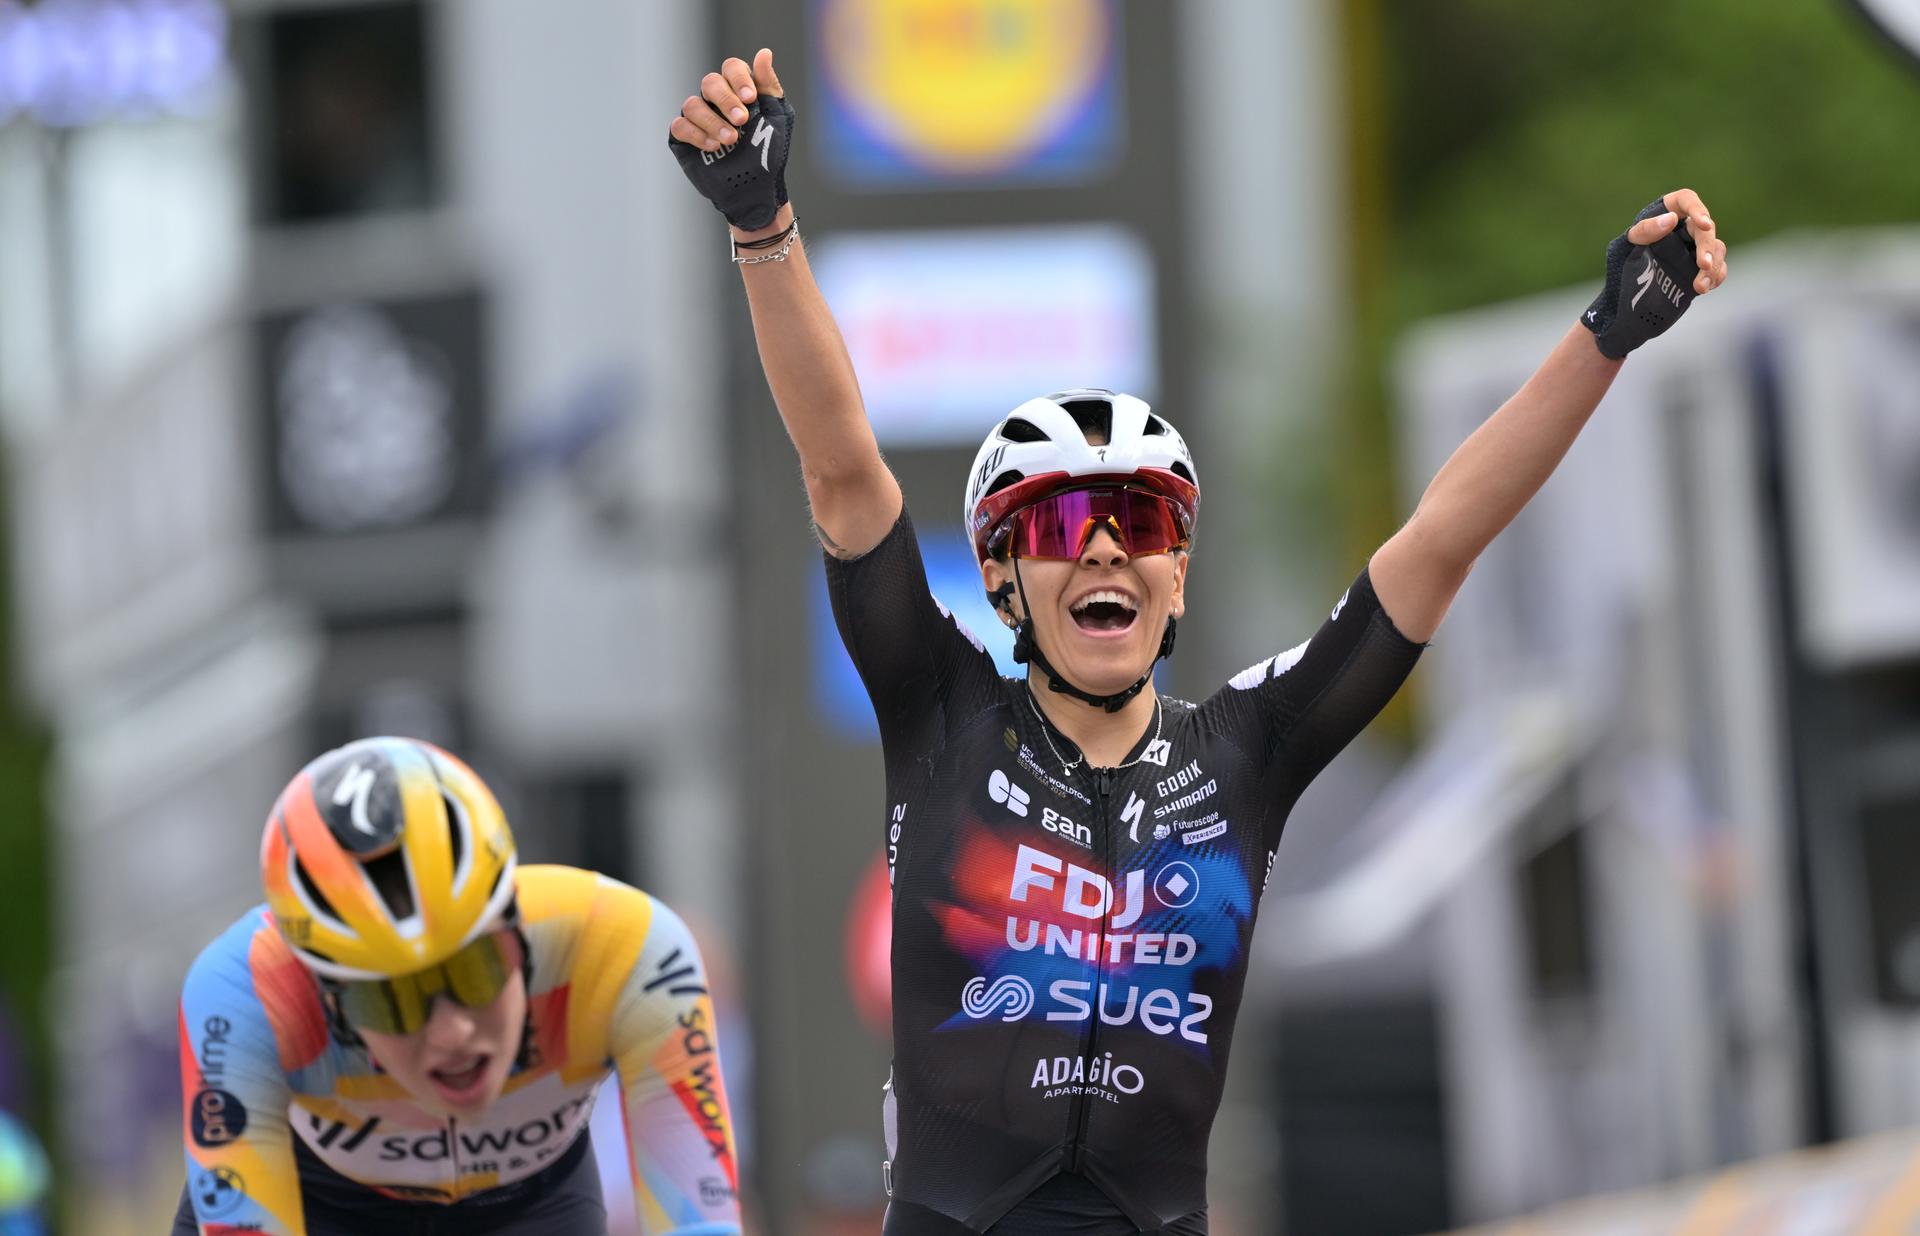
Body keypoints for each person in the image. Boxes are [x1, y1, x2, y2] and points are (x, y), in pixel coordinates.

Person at [668, 49, 1726, 1236]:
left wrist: (1605, 339)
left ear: (1180, 578)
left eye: (1145, 523)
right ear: (1005, 581)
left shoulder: (1247, 752)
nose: (1110, 550)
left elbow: (1439, 541)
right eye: (1067, 522)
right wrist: (763, 224)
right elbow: (842, 465)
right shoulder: (939, 706)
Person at [173, 737, 741, 1235]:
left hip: (528, 1209)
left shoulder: (627, 950)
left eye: (477, 971)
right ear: (332, 1001)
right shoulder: (250, 994)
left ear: (517, 929)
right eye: (392, 1000)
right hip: (322, 1205)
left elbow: (700, 1225)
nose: (452, 1033)